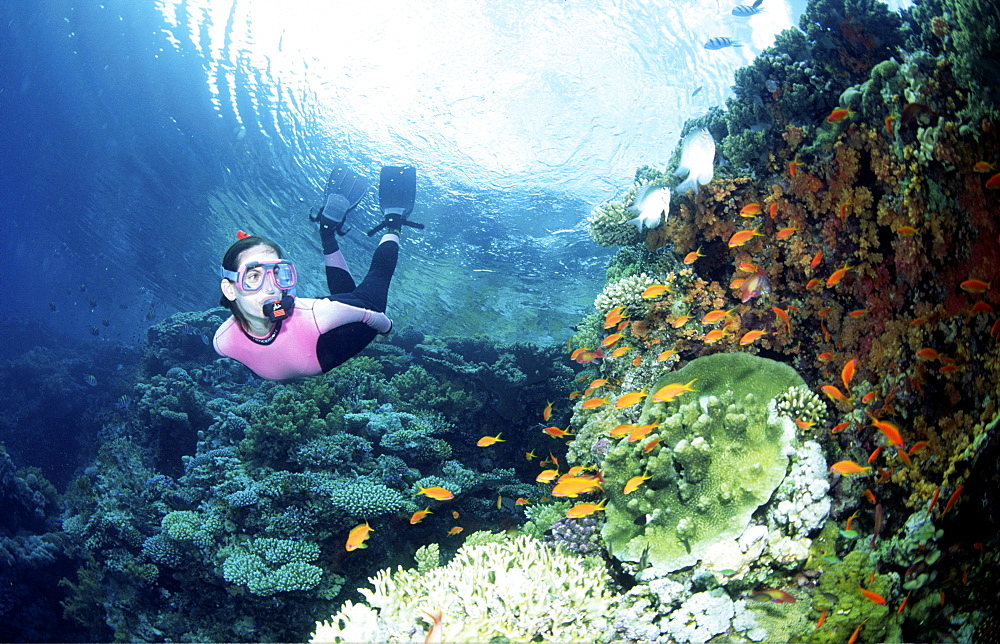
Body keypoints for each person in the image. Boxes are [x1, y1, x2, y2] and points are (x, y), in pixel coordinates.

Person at [213, 163, 422, 381]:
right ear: (229, 290)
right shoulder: (222, 342)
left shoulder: (314, 314)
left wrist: (386, 330)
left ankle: (393, 223)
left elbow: (372, 315)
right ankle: (327, 230)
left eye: (277, 273)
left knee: (370, 290)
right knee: (347, 295)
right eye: (253, 276)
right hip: (330, 320)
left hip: (353, 319)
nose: (270, 287)